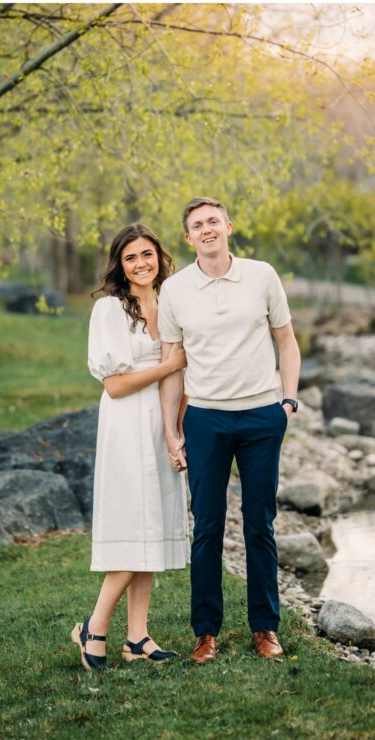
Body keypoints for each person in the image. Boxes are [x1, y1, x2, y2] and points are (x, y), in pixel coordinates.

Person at [158, 196, 301, 663]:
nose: (207, 229)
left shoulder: (262, 275)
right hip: (205, 419)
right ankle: (206, 633)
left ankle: (265, 628)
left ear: (228, 226)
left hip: (262, 415)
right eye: (197, 225)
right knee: (208, 528)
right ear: (188, 238)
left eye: (213, 221)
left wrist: (288, 402)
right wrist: (171, 430)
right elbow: (172, 367)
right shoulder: (175, 291)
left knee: (260, 524)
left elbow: (286, 340)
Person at [71, 223, 189, 671]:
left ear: (160, 256)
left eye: (148, 254)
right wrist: (170, 363)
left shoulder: (171, 301)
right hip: (126, 425)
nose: (141, 264)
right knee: (134, 525)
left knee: (153, 525)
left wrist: (176, 430)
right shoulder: (110, 310)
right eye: (131, 258)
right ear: (119, 266)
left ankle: (137, 637)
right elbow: (116, 385)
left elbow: (183, 372)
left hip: (161, 423)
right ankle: (94, 628)